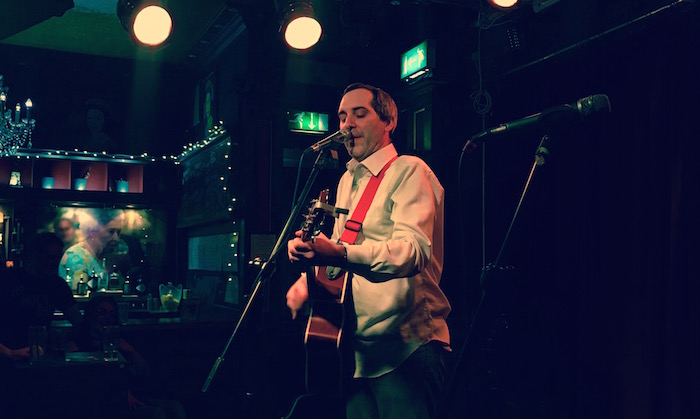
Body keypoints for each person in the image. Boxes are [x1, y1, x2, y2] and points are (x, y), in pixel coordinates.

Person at [286, 83, 451, 419]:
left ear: (389, 121)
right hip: (357, 351)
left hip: (406, 347)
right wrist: (308, 277)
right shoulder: (347, 181)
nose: (347, 125)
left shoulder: (409, 170)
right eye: (342, 117)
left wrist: (338, 254)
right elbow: (338, 252)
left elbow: (413, 251)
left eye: (360, 114)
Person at [66, 295, 187, 419]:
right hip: (102, 402)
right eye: (101, 312)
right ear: (90, 315)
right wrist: (122, 392)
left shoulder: (116, 341)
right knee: (155, 414)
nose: (107, 317)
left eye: (112, 314)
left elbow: (144, 372)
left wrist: (130, 351)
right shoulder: (77, 343)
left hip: (130, 394)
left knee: (175, 408)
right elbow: (86, 381)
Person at [0, 232, 82, 362]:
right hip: (6, 359)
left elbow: (79, 322)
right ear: (34, 255)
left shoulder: (57, 285)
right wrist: (9, 353)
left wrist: (72, 342)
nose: (55, 263)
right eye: (50, 257)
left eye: (58, 258)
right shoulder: (9, 279)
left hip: (39, 357)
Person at [59, 208, 125, 291]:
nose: (116, 238)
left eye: (118, 232)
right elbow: (78, 294)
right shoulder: (75, 256)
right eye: (111, 231)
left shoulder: (110, 256)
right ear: (93, 230)